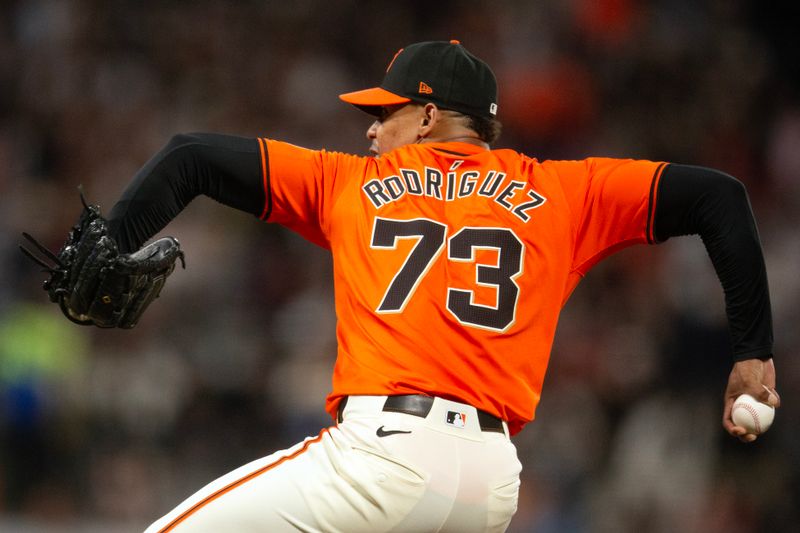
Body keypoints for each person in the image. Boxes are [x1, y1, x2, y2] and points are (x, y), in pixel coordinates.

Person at [101, 40, 778, 532]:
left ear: (427, 117)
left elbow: (190, 157)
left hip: (380, 461)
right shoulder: (563, 191)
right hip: (490, 484)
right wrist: (753, 352)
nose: (370, 129)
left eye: (385, 112)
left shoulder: (352, 182)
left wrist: (109, 240)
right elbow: (720, 197)